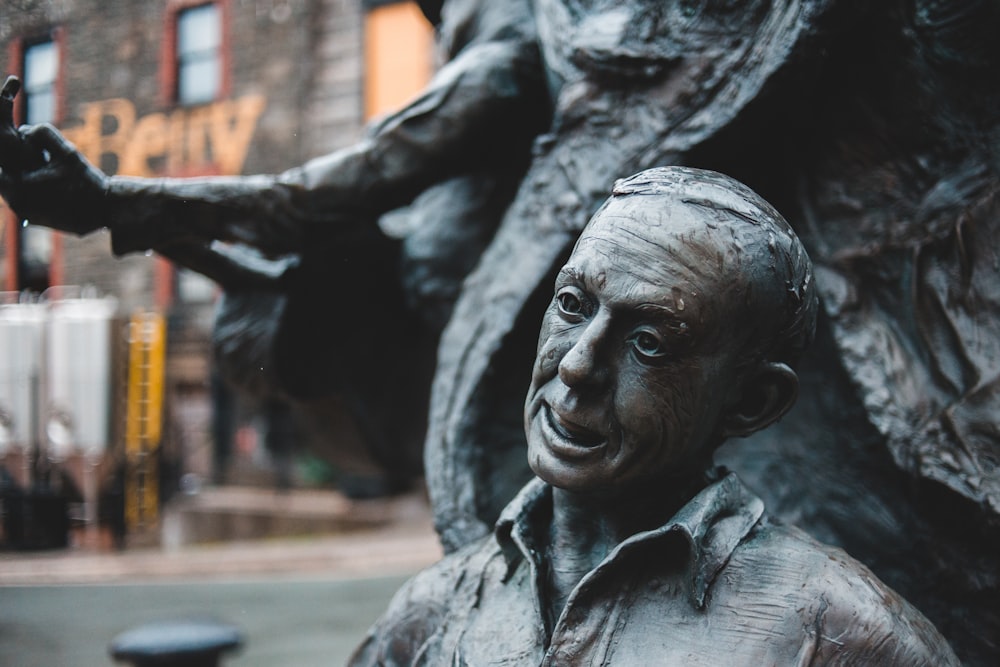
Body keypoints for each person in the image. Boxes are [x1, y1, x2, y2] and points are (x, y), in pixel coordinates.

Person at [348, 167, 960, 666]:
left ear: (751, 402)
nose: (577, 367)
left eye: (648, 342)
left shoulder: (840, 636)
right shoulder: (432, 615)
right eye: (572, 304)